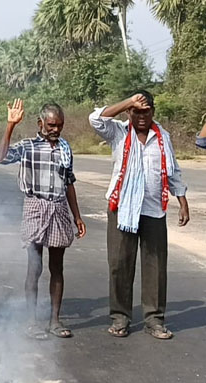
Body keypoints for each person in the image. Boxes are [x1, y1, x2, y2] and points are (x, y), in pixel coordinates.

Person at [89, 90, 189, 340]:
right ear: (129, 112)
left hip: (154, 209)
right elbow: (96, 119)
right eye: (136, 110)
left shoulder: (163, 137)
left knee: (155, 267)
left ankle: (154, 319)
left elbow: (173, 170)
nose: (141, 116)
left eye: (146, 110)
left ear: (153, 111)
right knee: (120, 264)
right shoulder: (119, 132)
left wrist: (182, 200)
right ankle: (120, 317)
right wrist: (128, 101)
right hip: (122, 208)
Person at [0, 99, 86, 339]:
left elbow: (69, 183)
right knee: (34, 268)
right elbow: (2, 158)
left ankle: (55, 321)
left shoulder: (65, 149)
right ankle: (32, 322)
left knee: (57, 268)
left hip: (58, 208)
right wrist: (10, 125)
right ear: (40, 123)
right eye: (51, 125)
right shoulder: (27, 146)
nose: (56, 129)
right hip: (35, 208)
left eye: (60, 125)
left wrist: (77, 216)